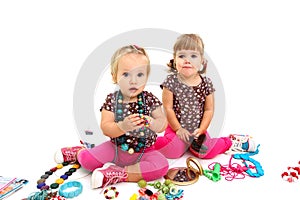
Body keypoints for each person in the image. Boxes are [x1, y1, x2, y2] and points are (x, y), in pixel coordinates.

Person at [55, 45, 169, 189]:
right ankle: (79, 152)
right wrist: (122, 126)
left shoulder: (150, 99)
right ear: (114, 76)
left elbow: (162, 123)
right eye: (126, 74)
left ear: (146, 77)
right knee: (87, 161)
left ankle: (119, 173)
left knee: (161, 166)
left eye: (139, 75)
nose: (133, 81)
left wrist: (153, 123)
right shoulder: (112, 100)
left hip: (145, 152)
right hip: (116, 148)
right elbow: (106, 127)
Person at [154, 34, 233, 159]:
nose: (187, 60)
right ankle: (146, 143)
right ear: (175, 59)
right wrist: (178, 129)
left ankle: (229, 141)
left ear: (202, 60)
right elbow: (168, 108)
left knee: (206, 152)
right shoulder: (171, 82)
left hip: (197, 130)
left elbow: (209, 110)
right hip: (175, 128)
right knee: (173, 151)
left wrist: (202, 129)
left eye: (193, 56)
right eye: (181, 56)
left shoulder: (206, 83)